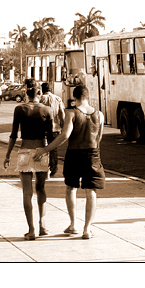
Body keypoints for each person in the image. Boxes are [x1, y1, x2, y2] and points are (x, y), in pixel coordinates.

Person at [35, 85, 105, 239]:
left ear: (75, 98)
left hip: (74, 153)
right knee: (91, 191)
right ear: (88, 96)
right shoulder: (99, 115)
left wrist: (45, 149)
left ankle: (73, 225)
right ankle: (87, 229)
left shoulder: (71, 113)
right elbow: (99, 138)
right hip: (93, 153)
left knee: (71, 188)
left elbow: (65, 135)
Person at [3, 88, 54, 240]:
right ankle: (43, 225)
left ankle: (31, 230)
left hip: (25, 151)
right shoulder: (46, 109)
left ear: (26, 95)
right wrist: (53, 158)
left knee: (27, 192)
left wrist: (7, 155)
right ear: (39, 95)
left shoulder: (19, 109)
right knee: (41, 188)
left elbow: (13, 135)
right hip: (41, 151)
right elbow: (51, 137)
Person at [39, 82, 65, 176]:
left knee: (43, 147)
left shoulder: (40, 99)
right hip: (55, 128)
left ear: (42, 89)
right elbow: (62, 114)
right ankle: (53, 167)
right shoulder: (58, 98)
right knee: (53, 148)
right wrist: (63, 126)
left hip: (43, 128)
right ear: (51, 89)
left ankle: (44, 167)